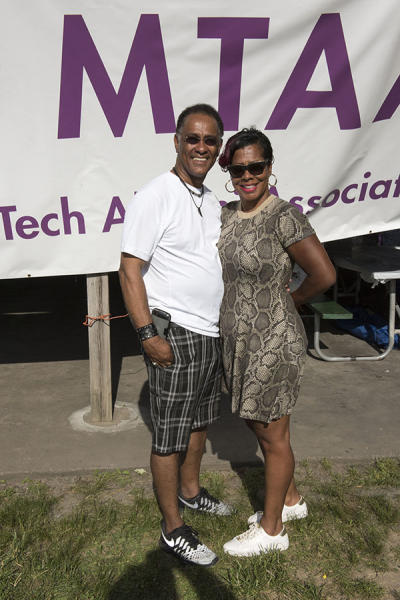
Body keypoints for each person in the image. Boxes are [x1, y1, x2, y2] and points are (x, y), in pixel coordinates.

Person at [119, 104, 232, 567]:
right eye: (193, 138)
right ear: (177, 141)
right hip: (175, 334)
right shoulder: (155, 195)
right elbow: (130, 269)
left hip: (210, 332)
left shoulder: (209, 198)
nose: (201, 147)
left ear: (218, 147)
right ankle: (173, 527)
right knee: (169, 436)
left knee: (200, 423)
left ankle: (190, 490)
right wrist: (148, 335)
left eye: (210, 140)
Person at [217, 128, 336, 557]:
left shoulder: (284, 216)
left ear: (270, 167)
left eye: (256, 167)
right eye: (238, 169)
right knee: (257, 423)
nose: (247, 176)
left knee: (273, 434)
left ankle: (272, 531)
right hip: (237, 338)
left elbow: (324, 274)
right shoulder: (227, 214)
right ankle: (291, 500)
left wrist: (293, 299)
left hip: (273, 339)